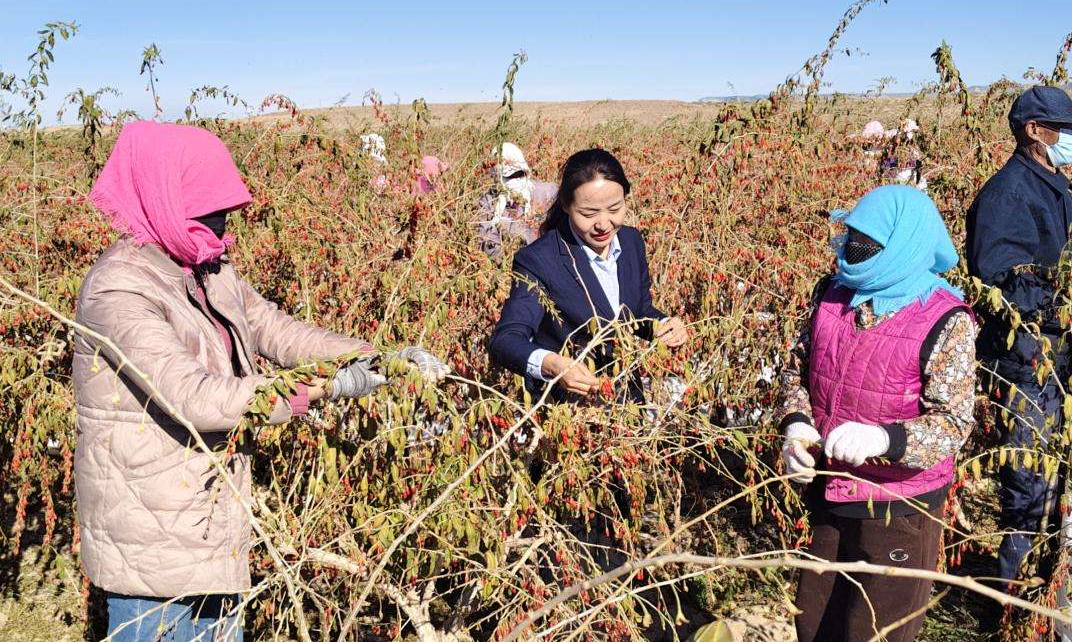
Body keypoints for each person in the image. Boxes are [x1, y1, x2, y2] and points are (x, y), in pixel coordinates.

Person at [73, 121, 449, 641]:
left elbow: (275, 329)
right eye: (206, 211)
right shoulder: (118, 289)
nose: (222, 224)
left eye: (224, 210)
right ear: (163, 196)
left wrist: (378, 358)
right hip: (151, 532)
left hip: (210, 518)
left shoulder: (208, 267)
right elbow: (197, 398)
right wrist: (329, 388)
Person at [776, 185, 977, 642]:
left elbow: (953, 423)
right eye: (849, 238)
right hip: (831, 492)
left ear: (904, 244)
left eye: (866, 244)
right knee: (816, 623)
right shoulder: (831, 295)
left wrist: (886, 440)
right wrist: (796, 425)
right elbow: (795, 371)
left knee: (876, 630)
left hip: (899, 507)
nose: (851, 251)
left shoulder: (944, 320)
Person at [964, 85, 1072, 586]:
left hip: (1056, 350)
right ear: (1033, 132)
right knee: (1029, 477)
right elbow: (1001, 278)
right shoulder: (1007, 194)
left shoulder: (1051, 182)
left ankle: (1047, 584)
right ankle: (1012, 599)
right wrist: (1066, 294)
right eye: (1066, 129)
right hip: (1026, 356)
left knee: (1059, 471)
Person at [488, 148, 687, 402]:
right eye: (588, 214)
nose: (604, 224)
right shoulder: (540, 260)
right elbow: (505, 340)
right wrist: (552, 365)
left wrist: (664, 325)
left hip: (627, 399)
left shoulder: (631, 241)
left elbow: (637, 311)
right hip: (569, 410)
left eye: (615, 208)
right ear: (566, 206)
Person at [477, 142, 558, 260]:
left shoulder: (547, 193)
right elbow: (487, 241)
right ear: (497, 177)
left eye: (520, 174)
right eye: (510, 176)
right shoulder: (489, 202)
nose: (516, 180)